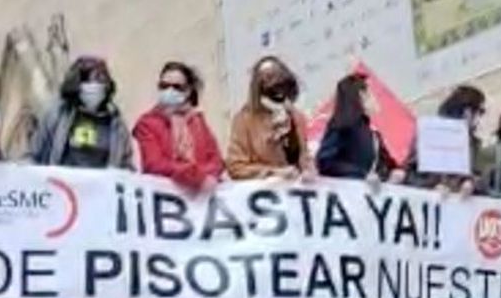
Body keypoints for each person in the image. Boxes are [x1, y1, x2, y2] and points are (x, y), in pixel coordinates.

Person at [133, 61, 224, 194]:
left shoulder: (197, 120)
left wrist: (207, 177)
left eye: (177, 87)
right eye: (164, 86)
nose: (169, 91)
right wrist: (195, 176)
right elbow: (153, 164)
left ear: (188, 91)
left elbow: (216, 161)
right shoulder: (147, 123)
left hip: (201, 196)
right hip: (165, 197)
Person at [29, 55, 134, 169]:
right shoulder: (57, 115)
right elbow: (34, 154)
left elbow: (125, 165)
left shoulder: (117, 126)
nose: (98, 86)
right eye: (93, 79)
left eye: (103, 81)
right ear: (77, 83)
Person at [226, 56, 314, 180]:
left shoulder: (296, 116)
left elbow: (303, 157)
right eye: (269, 81)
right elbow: (236, 167)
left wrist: (308, 170)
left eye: (281, 84)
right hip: (263, 192)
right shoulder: (244, 120)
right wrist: (273, 172)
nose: (279, 91)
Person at [316, 73, 404, 186]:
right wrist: (360, 175)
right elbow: (326, 162)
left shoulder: (373, 134)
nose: (375, 99)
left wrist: (396, 171)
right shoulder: (342, 124)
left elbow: (386, 162)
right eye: (371, 94)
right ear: (362, 95)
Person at [407, 85, 485, 194]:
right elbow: (411, 173)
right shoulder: (429, 134)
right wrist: (433, 186)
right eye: (480, 112)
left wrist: (471, 183)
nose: (480, 118)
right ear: (467, 111)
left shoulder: (474, 144)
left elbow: (480, 176)